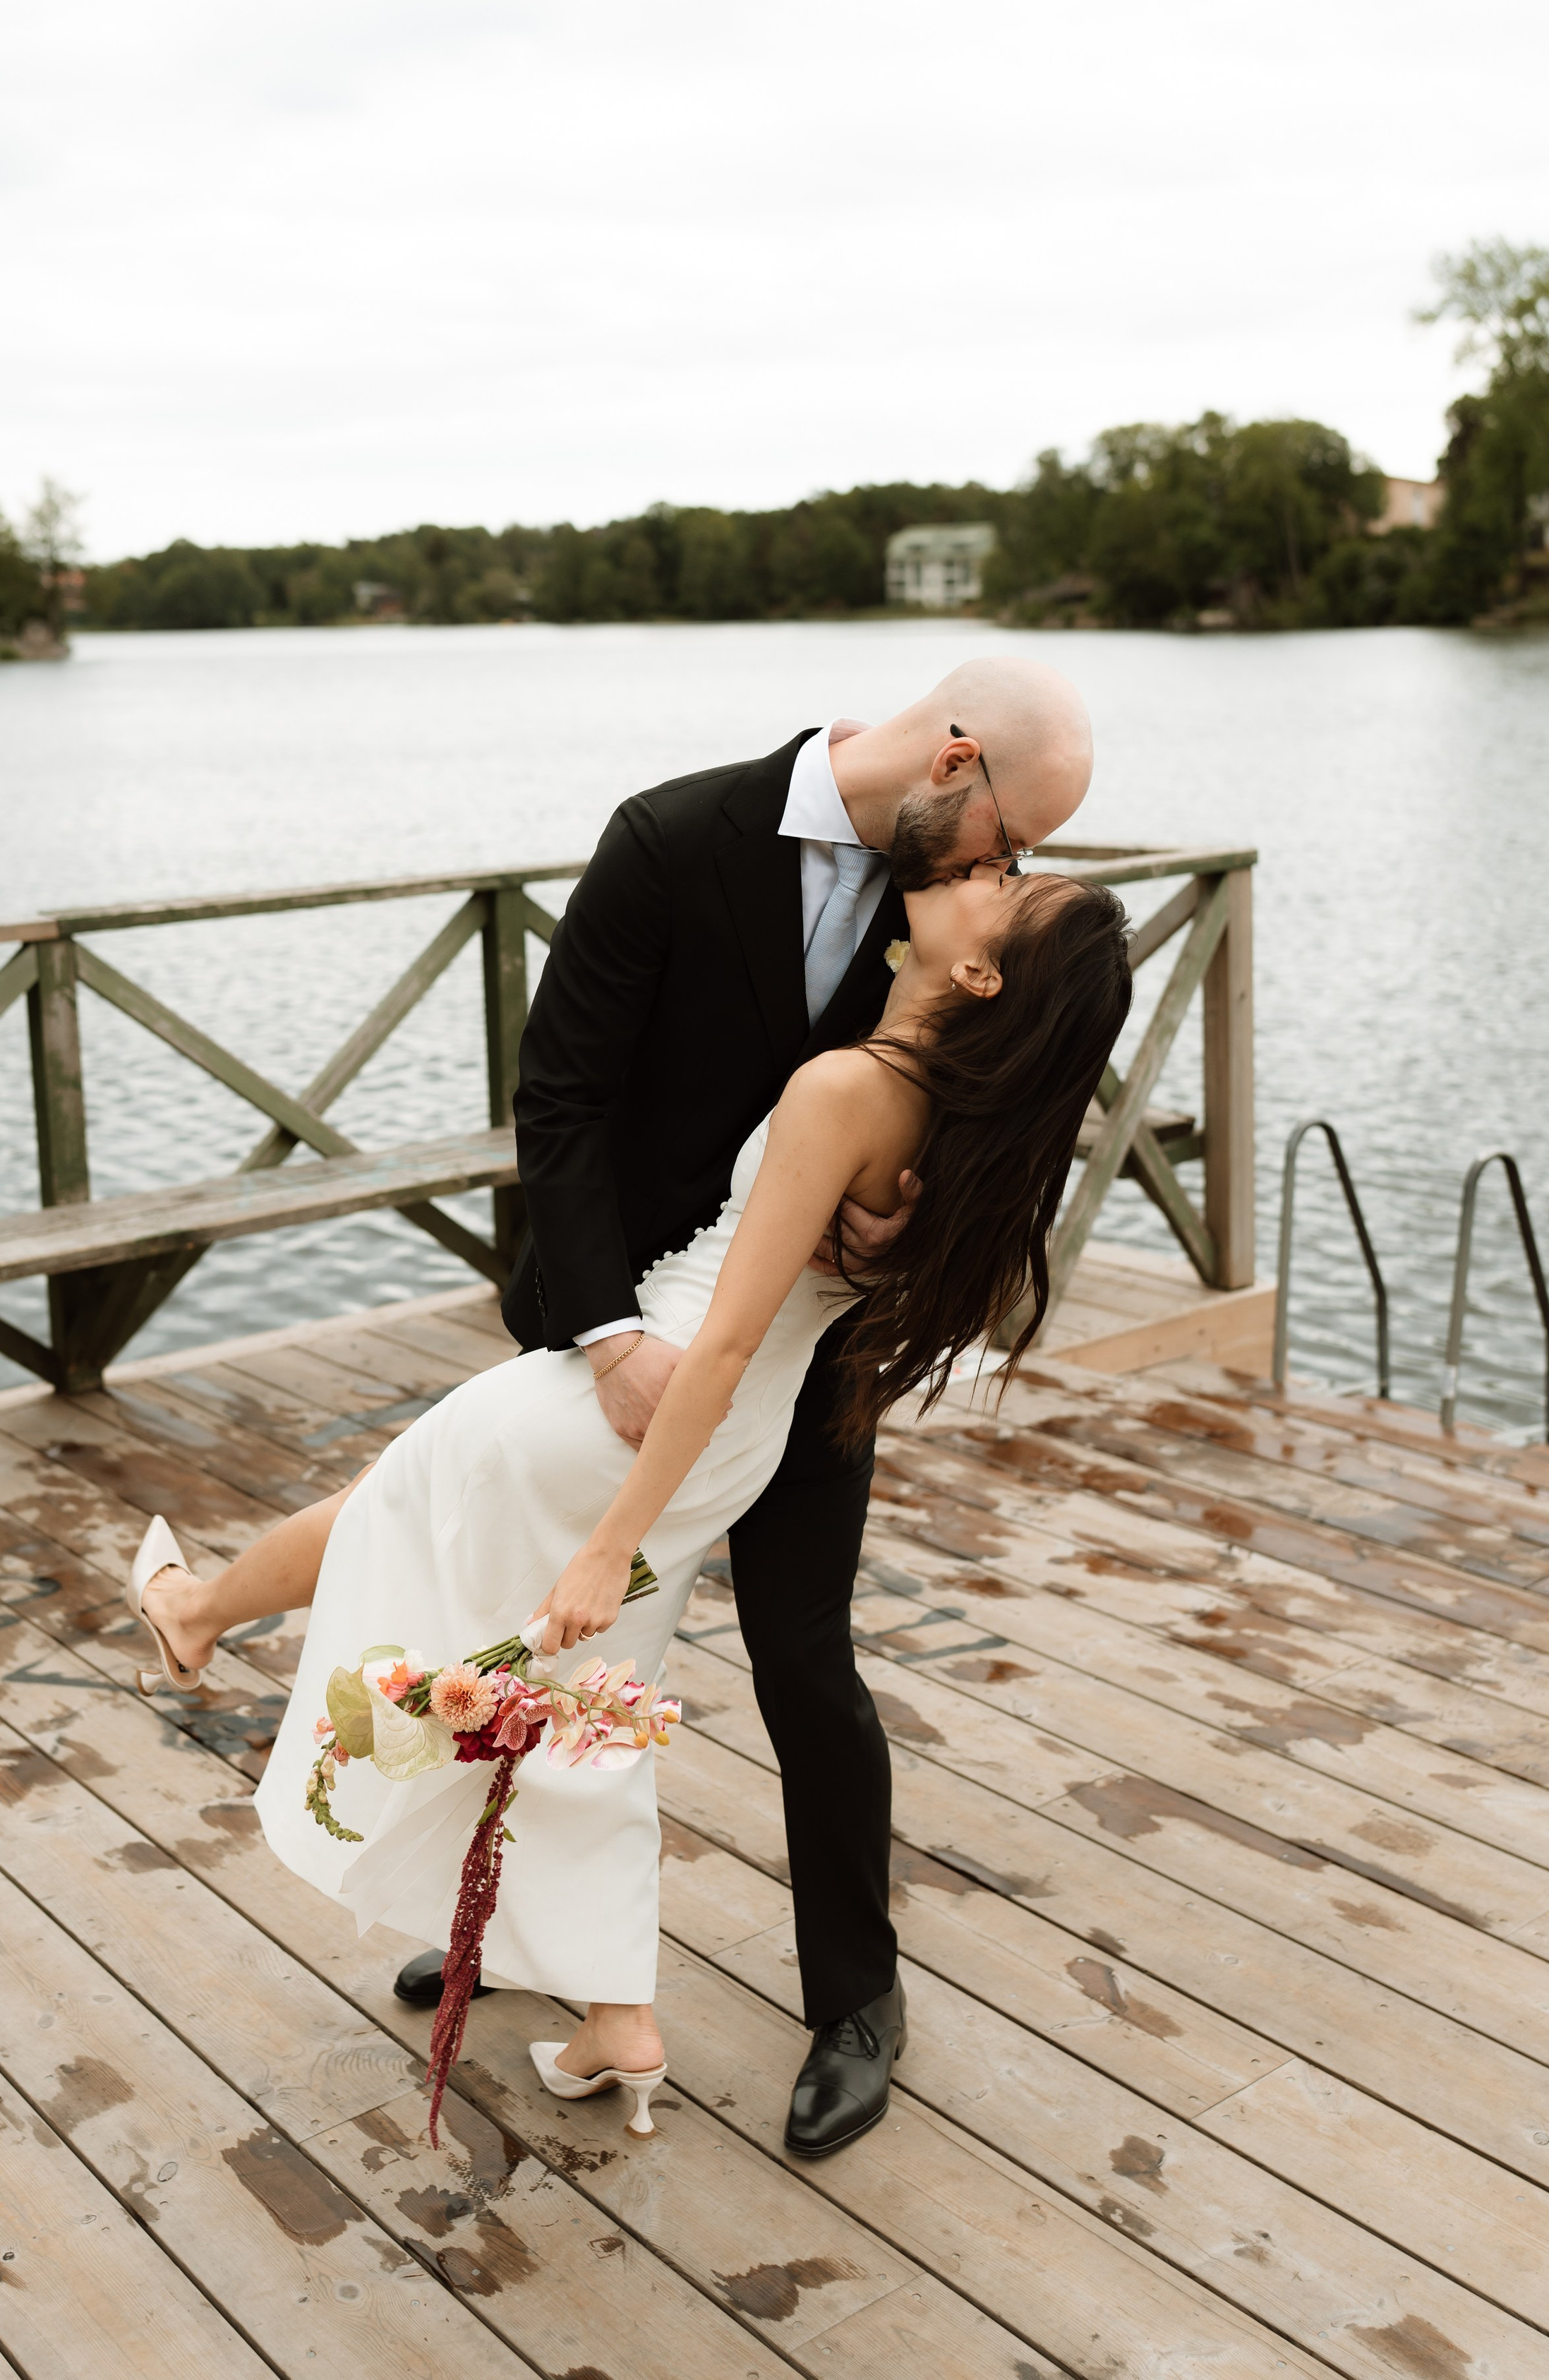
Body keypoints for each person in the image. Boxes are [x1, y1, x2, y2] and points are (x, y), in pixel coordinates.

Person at [129, 658, 1117, 2157]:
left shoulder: (953, 943)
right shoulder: (672, 837)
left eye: (1015, 868)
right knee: (554, 1662)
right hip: (633, 1338)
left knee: (795, 1664)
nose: (1006, 872)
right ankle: (541, 1954)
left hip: (786, 1372)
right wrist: (600, 1332)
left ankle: (854, 2002)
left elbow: (998, 1116)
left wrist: (893, 1236)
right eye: (1002, 847)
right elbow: (563, 1095)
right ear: (953, 764)